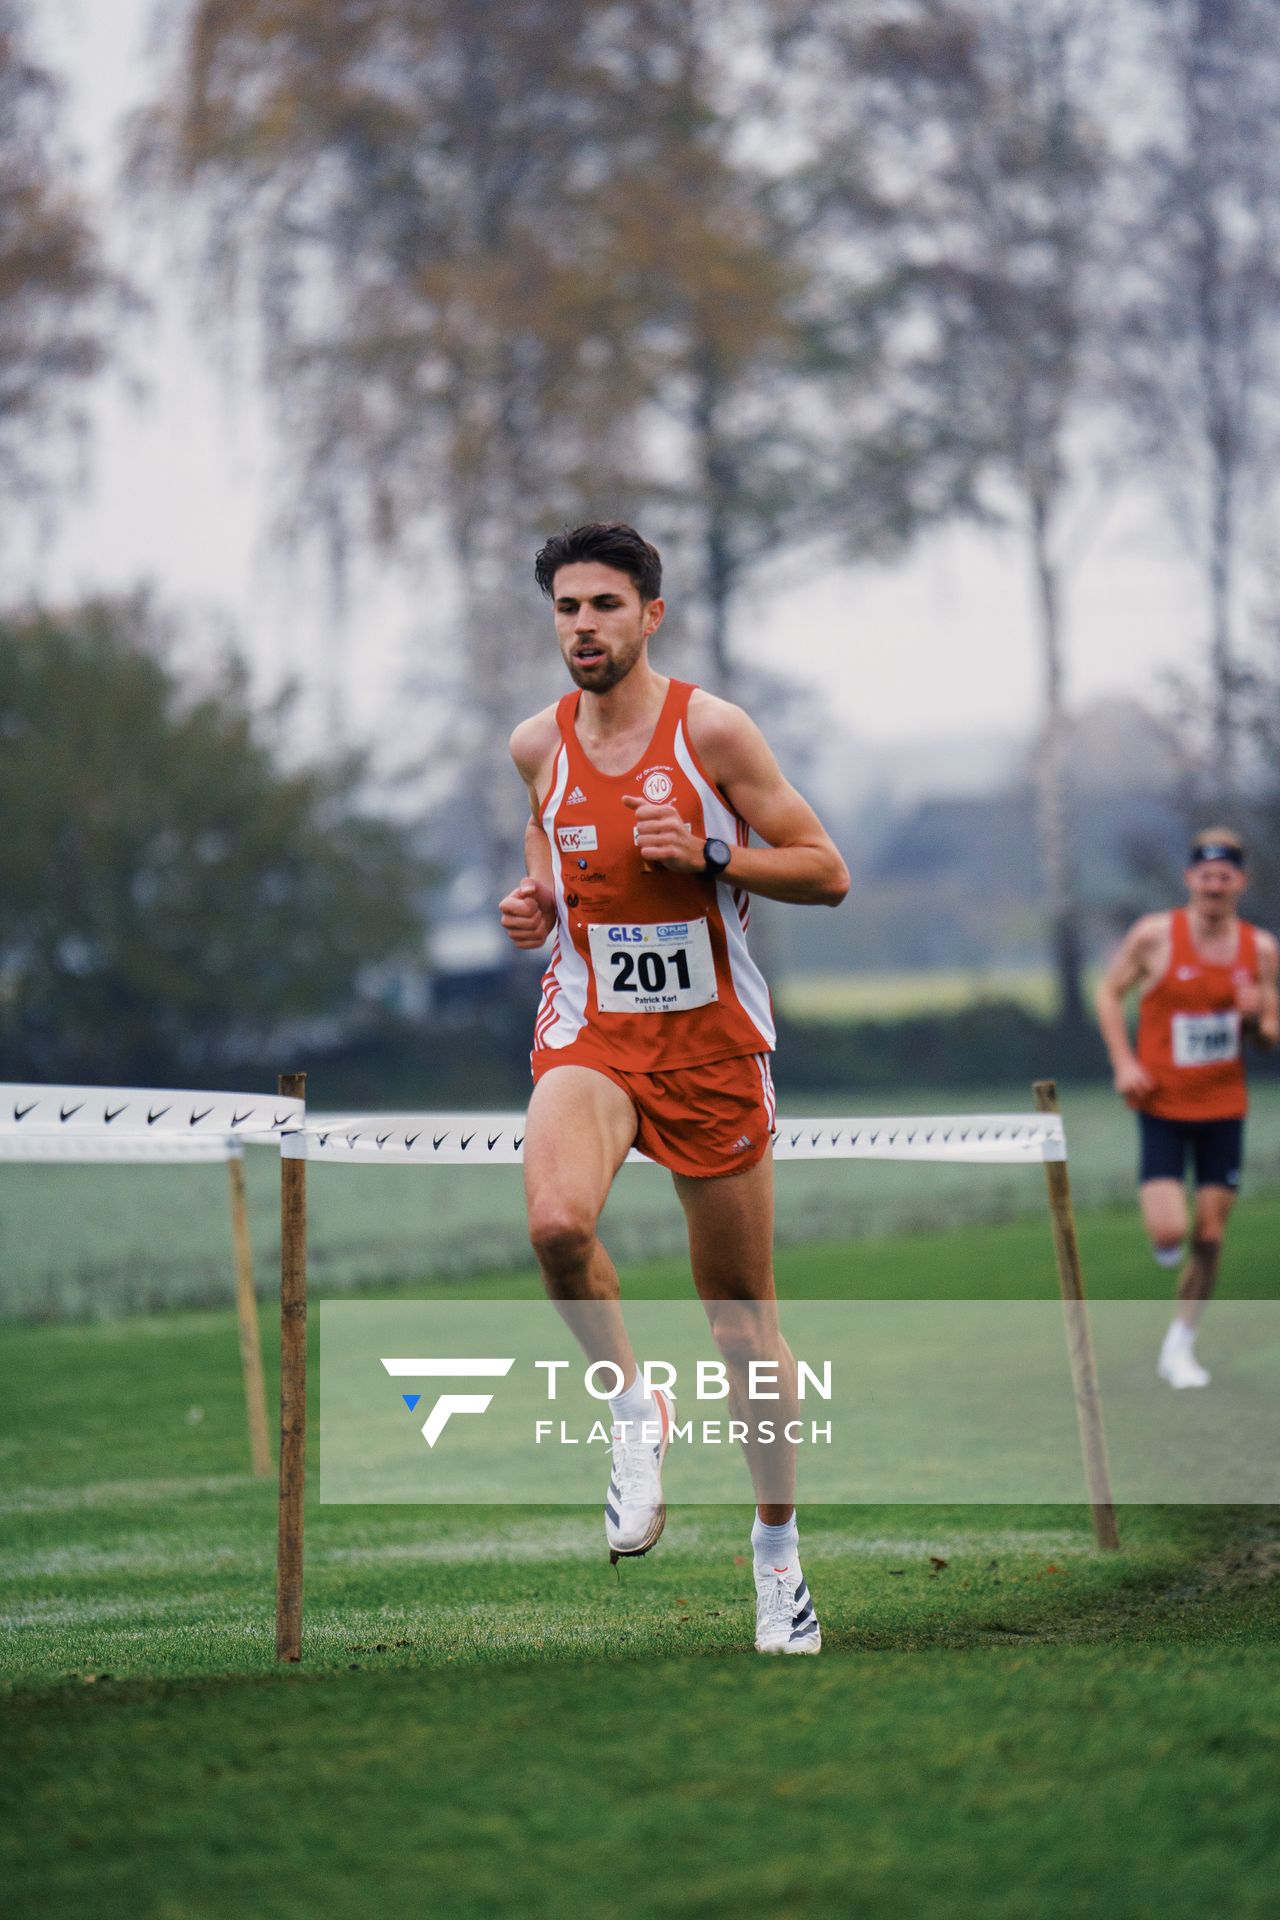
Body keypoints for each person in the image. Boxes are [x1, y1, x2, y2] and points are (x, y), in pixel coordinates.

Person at [498, 522, 849, 1653]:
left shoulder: (710, 730)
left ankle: (775, 1554)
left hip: (709, 1053)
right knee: (554, 1223)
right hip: (593, 1035)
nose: (582, 626)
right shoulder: (533, 746)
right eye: (565, 607)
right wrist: (535, 905)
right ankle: (627, 1406)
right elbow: (550, 855)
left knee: (744, 1332)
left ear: (650, 615)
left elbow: (824, 871)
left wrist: (710, 853)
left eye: (604, 605)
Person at [1095, 828, 1278, 1388]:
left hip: (1224, 1106)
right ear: (1190, 879)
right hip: (1164, 1104)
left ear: (1240, 883)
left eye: (1226, 876)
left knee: (1211, 1236)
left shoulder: (1261, 950)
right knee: (1173, 1231)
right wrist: (1125, 1063)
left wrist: (1252, 1018)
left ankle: (1180, 1345)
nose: (1214, 885)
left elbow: (1270, 1035)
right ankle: (1166, 1241)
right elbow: (1108, 993)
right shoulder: (1155, 937)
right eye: (1205, 874)